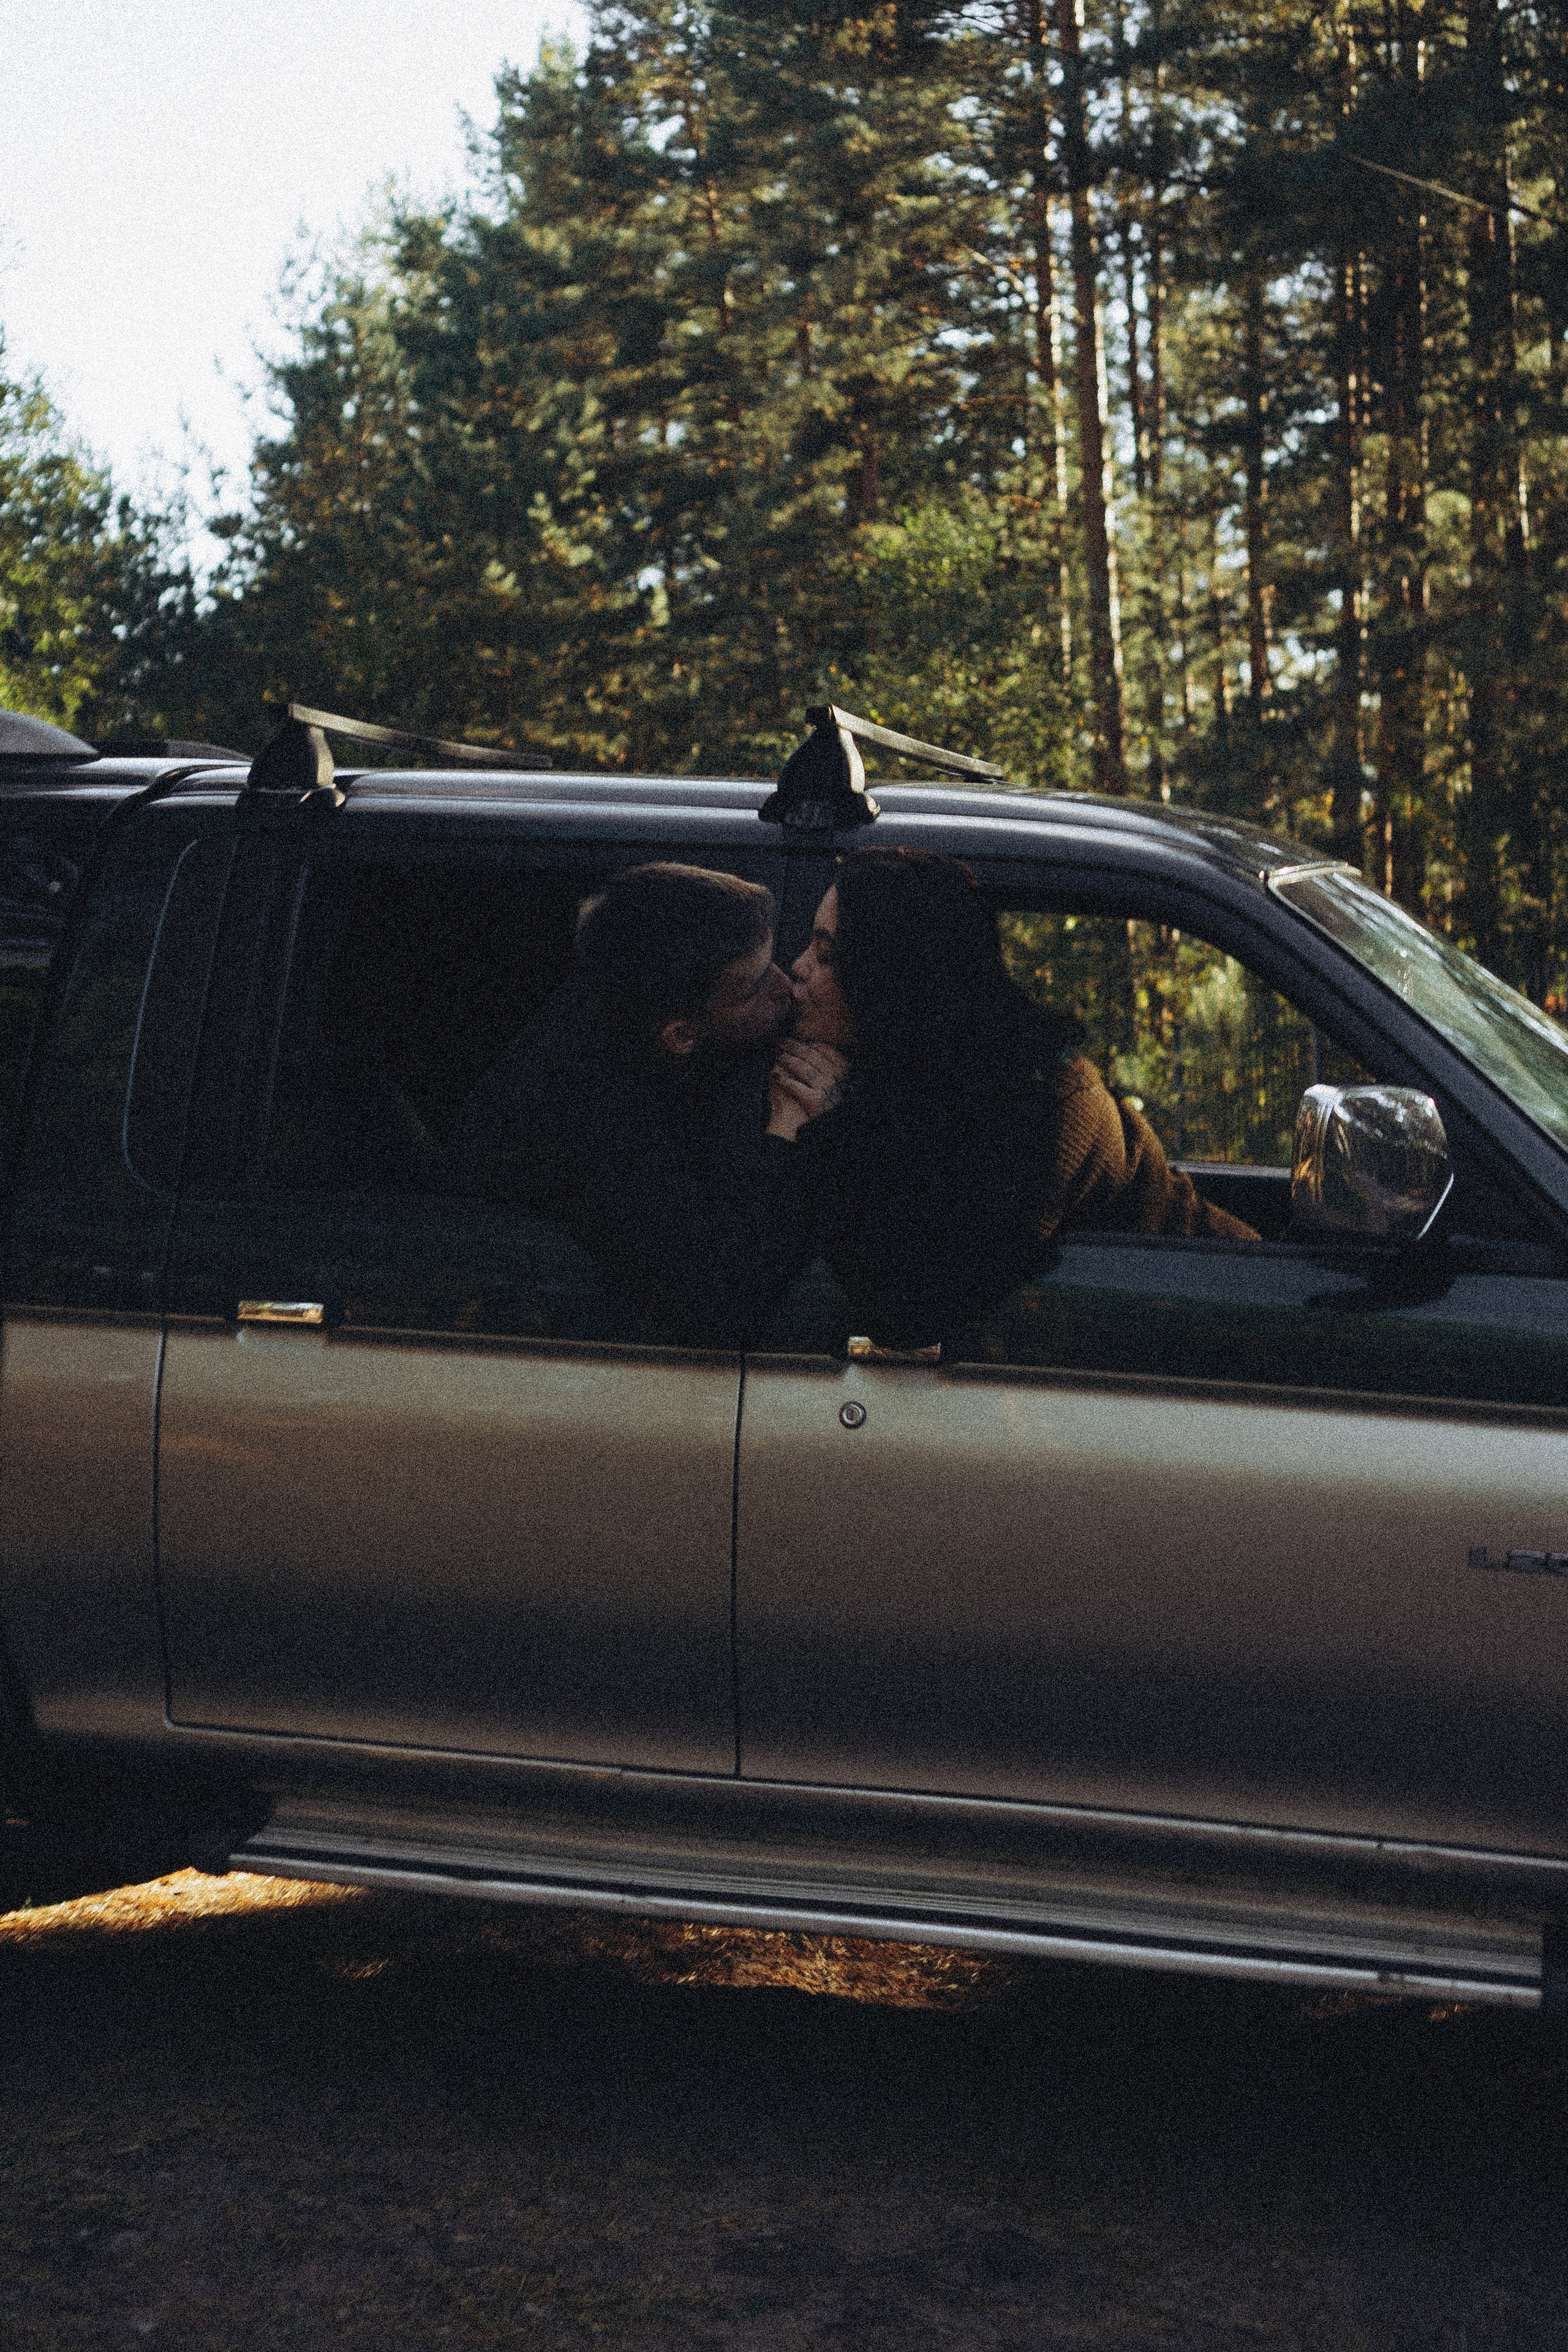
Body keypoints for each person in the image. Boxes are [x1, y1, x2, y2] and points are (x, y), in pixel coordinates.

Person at [785, 846, 1256, 1348]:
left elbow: (909, 1312)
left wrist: (830, 1131)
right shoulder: (902, 1065)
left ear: (894, 976)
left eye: (827, 955)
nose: (796, 967)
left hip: (1236, 1325)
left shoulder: (1049, 1107)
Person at [451, 861, 845, 1345]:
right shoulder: (593, 1122)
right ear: (681, 1035)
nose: (786, 983)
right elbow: (714, 1305)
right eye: (754, 984)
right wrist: (787, 1135)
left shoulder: (637, 997)